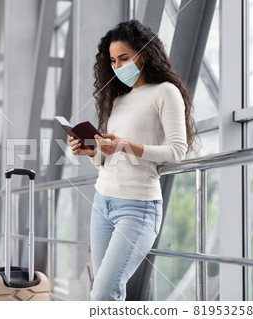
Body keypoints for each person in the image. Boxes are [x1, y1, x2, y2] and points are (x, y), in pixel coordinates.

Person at [68, 19, 197, 301]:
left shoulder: (165, 92)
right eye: (113, 61)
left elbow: (177, 150)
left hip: (138, 208)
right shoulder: (118, 101)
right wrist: (92, 151)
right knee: (104, 293)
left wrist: (126, 146)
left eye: (124, 58)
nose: (117, 67)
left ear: (144, 54)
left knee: (103, 293)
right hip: (102, 202)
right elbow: (108, 159)